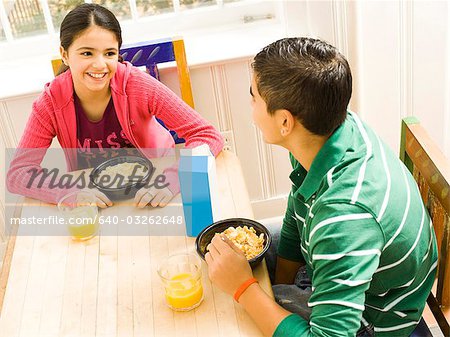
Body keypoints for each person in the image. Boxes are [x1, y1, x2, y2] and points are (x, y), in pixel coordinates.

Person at [205, 37, 437, 337]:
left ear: (285, 122)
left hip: (374, 318)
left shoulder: (344, 218)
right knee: (229, 253)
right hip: (349, 265)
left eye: (254, 98)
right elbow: (297, 211)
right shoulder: (330, 130)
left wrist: (245, 290)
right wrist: (279, 288)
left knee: (231, 314)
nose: (250, 107)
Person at [6, 3, 223, 208]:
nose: (100, 65)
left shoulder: (138, 85)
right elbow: (18, 174)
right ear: (64, 54)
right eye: (86, 53)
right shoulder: (50, 103)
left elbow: (207, 135)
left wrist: (176, 178)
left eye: (109, 53)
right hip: (94, 197)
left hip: (154, 187)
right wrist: (69, 192)